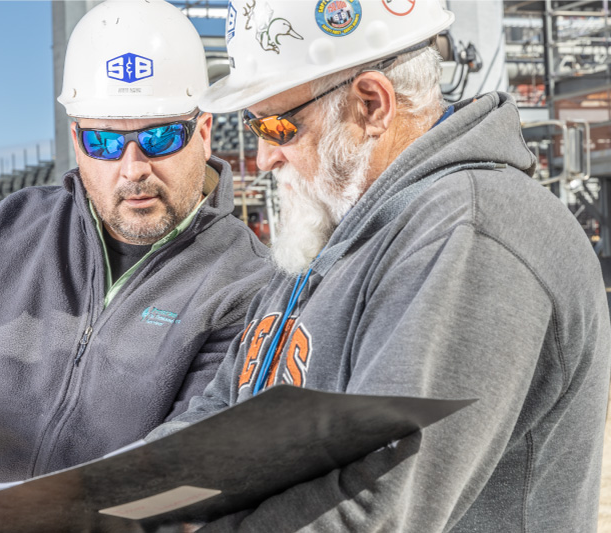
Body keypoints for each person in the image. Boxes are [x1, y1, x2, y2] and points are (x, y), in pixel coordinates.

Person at [148, 1, 611, 531]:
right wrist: (114, 502)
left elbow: (377, 505)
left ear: (371, 104)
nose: (264, 158)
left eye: (276, 128)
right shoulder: (328, 234)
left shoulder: (473, 235)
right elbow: (222, 410)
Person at [0, 0, 271, 483]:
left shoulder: (246, 282)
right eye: (104, 142)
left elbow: (178, 467)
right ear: (78, 142)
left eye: (160, 137)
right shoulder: (12, 230)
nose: (133, 168)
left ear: (203, 133)